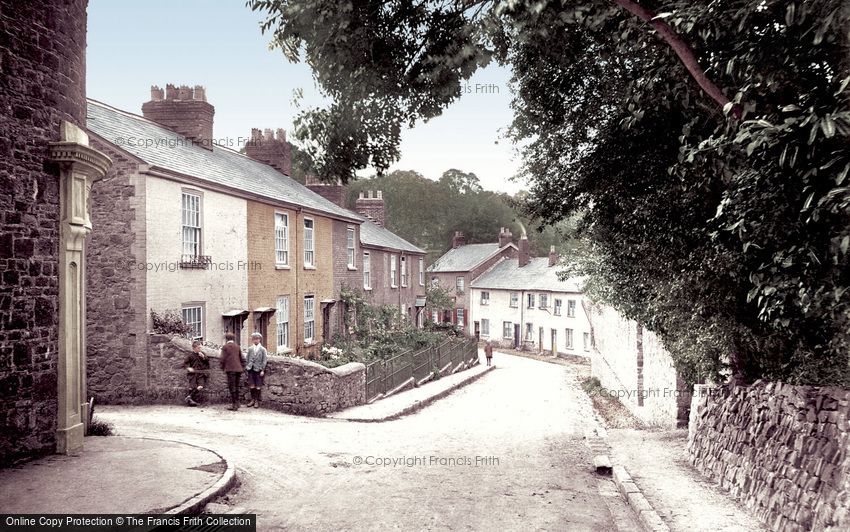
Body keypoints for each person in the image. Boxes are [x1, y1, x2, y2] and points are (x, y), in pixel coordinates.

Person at [220, 332, 244, 411]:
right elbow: (242, 358)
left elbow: (222, 359)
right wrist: (242, 367)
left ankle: (234, 405)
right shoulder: (237, 346)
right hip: (239, 369)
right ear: (233, 339)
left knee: (232, 387)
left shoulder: (225, 347)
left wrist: (222, 367)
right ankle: (237, 403)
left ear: (226, 339)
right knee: (236, 386)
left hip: (230, 369)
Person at [244, 332, 268, 408]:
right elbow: (247, 359)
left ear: (260, 339)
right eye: (254, 339)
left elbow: (264, 360)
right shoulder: (250, 349)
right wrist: (247, 367)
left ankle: (257, 401)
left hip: (258, 370)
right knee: (251, 385)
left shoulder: (263, 349)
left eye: (257, 339)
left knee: (258, 386)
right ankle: (252, 400)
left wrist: (262, 370)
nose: (255, 340)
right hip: (250, 369)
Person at [183, 340, 210, 406]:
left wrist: (203, 357)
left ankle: (189, 397)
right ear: (194, 348)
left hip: (201, 374)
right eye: (198, 348)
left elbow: (207, 361)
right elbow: (185, 363)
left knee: (200, 386)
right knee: (191, 387)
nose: (200, 349)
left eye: (200, 348)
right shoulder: (190, 355)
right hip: (193, 374)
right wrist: (188, 368)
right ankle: (190, 401)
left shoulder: (202, 354)